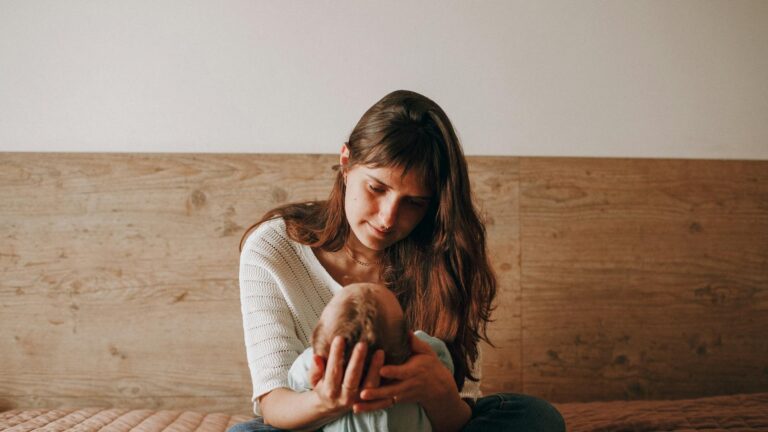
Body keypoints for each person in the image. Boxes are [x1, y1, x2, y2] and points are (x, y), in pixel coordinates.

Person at [230, 90, 565, 432]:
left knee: (536, 417)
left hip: (417, 424)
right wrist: (328, 401)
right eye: (377, 188)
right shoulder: (274, 247)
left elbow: (459, 416)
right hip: (318, 424)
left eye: (414, 203)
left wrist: (438, 393)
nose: (388, 218)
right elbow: (275, 404)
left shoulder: (449, 256)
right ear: (346, 162)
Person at [288, 282, 453, 432]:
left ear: (319, 361)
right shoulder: (425, 356)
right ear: (409, 340)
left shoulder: (310, 362)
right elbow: (444, 365)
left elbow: (294, 381)